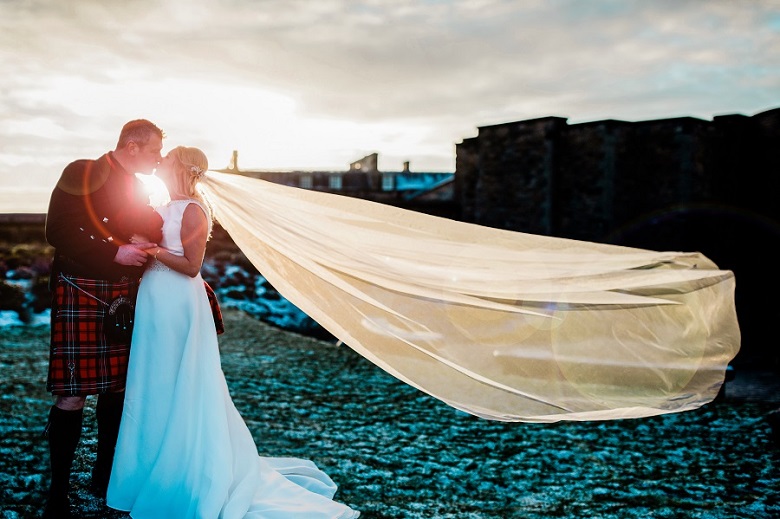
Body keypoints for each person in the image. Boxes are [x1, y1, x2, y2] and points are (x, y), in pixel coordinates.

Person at [106, 146, 359, 518]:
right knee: (152, 381)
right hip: (153, 302)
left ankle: (186, 472)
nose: (160, 163)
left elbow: (191, 266)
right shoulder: (162, 204)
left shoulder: (194, 209)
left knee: (182, 381)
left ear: (182, 168)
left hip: (178, 303)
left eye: (167, 159)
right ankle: (147, 469)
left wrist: (154, 250)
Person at [43, 119, 165, 518]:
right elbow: (57, 228)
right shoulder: (81, 171)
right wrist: (113, 251)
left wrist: (135, 236)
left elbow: (152, 224)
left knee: (117, 387)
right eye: (154, 151)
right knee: (73, 391)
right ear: (132, 146)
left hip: (119, 294)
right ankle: (58, 488)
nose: (158, 158)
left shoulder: (136, 186)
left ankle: (104, 474)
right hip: (79, 286)